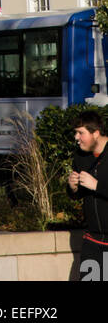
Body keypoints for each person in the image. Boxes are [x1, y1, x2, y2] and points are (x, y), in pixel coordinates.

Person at [68, 110, 108, 276]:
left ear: (96, 133)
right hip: (93, 241)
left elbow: (95, 187)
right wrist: (73, 188)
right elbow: (79, 195)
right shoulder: (80, 157)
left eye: (81, 133)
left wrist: (98, 186)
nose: (77, 138)